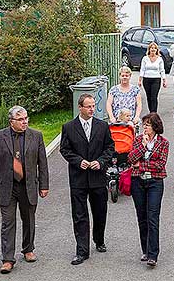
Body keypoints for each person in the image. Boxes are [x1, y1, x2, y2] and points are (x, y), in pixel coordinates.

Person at [0, 105, 49, 274]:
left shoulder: (36, 136)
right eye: (20, 119)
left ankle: (28, 249)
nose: (25, 122)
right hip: (7, 186)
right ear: (11, 121)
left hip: (28, 185)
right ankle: (7, 259)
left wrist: (44, 185)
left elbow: (42, 163)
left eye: (26, 118)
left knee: (29, 219)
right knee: (8, 222)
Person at [60, 93, 115, 265]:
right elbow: (65, 149)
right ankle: (82, 250)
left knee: (99, 212)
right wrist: (79, 161)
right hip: (79, 179)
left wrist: (100, 162)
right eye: (89, 106)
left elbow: (110, 147)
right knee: (79, 214)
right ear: (80, 108)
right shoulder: (69, 127)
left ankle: (99, 240)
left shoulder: (102, 126)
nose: (92, 109)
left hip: (98, 177)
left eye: (93, 106)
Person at [127, 113, 169, 267]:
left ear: (155, 126)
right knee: (142, 216)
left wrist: (140, 165)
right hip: (137, 181)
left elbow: (160, 164)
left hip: (155, 183)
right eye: (144, 124)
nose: (145, 127)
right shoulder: (138, 140)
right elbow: (130, 159)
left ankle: (153, 255)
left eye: (148, 124)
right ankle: (145, 249)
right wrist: (143, 147)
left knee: (153, 217)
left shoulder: (163, 143)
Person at [138, 42, 167, 113]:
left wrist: (164, 80)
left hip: (156, 79)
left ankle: (154, 112)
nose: (153, 49)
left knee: (154, 97)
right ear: (149, 49)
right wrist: (140, 80)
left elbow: (162, 70)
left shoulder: (159, 59)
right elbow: (142, 69)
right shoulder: (145, 58)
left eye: (154, 48)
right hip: (146, 79)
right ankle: (150, 111)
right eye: (151, 48)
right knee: (148, 96)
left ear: (157, 50)